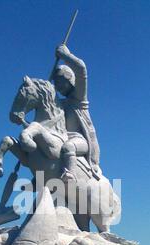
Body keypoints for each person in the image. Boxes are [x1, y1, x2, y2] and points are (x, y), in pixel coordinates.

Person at [52, 45, 101, 182]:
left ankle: (71, 175)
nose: (60, 88)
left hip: (80, 141)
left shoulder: (79, 98)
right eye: (57, 86)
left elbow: (81, 69)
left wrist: (66, 55)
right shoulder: (61, 104)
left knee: (68, 147)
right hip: (62, 137)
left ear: (70, 80)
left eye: (62, 84)